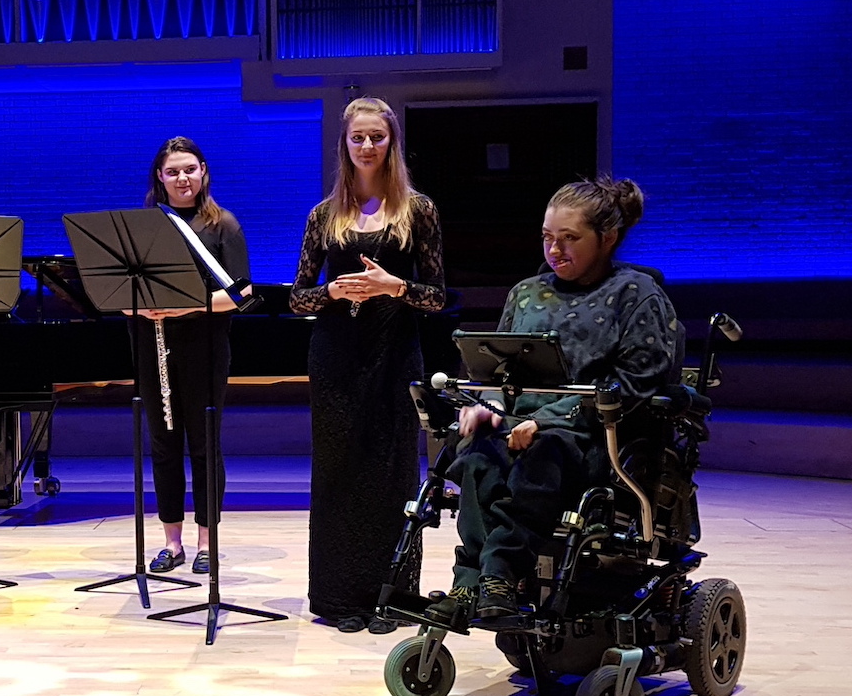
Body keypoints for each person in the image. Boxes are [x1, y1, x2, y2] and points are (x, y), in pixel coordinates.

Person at [427, 177, 684, 629]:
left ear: (607, 239)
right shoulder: (526, 293)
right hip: (518, 427)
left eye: (569, 239)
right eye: (547, 238)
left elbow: (636, 383)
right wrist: (485, 406)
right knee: (475, 456)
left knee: (542, 456)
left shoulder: (637, 296)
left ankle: (498, 576)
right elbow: (499, 372)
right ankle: (470, 583)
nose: (555, 250)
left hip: (593, 437)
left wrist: (547, 422)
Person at [290, 97, 446, 632]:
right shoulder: (323, 215)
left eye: (377, 137)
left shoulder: (418, 210)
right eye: (358, 137)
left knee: (392, 473)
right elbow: (297, 298)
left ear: (391, 142)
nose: (367, 146)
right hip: (336, 357)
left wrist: (394, 286)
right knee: (337, 473)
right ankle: (338, 599)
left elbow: (438, 298)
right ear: (344, 144)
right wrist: (331, 291)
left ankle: (391, 596)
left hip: (394, 354)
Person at [131, 137, 253, 575]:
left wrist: (188, 305)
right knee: (163, 444)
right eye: (172, 171)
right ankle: (171, 541)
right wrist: (135, 306)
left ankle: (207, 542)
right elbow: (119, 290)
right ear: (159, 178)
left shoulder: (224, 225)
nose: (182, 178)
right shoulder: (142, 226)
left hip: (204, 345)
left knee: (204, 444)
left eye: (189, 169)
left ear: (203, 171)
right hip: (154, 343)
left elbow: (242, 294)